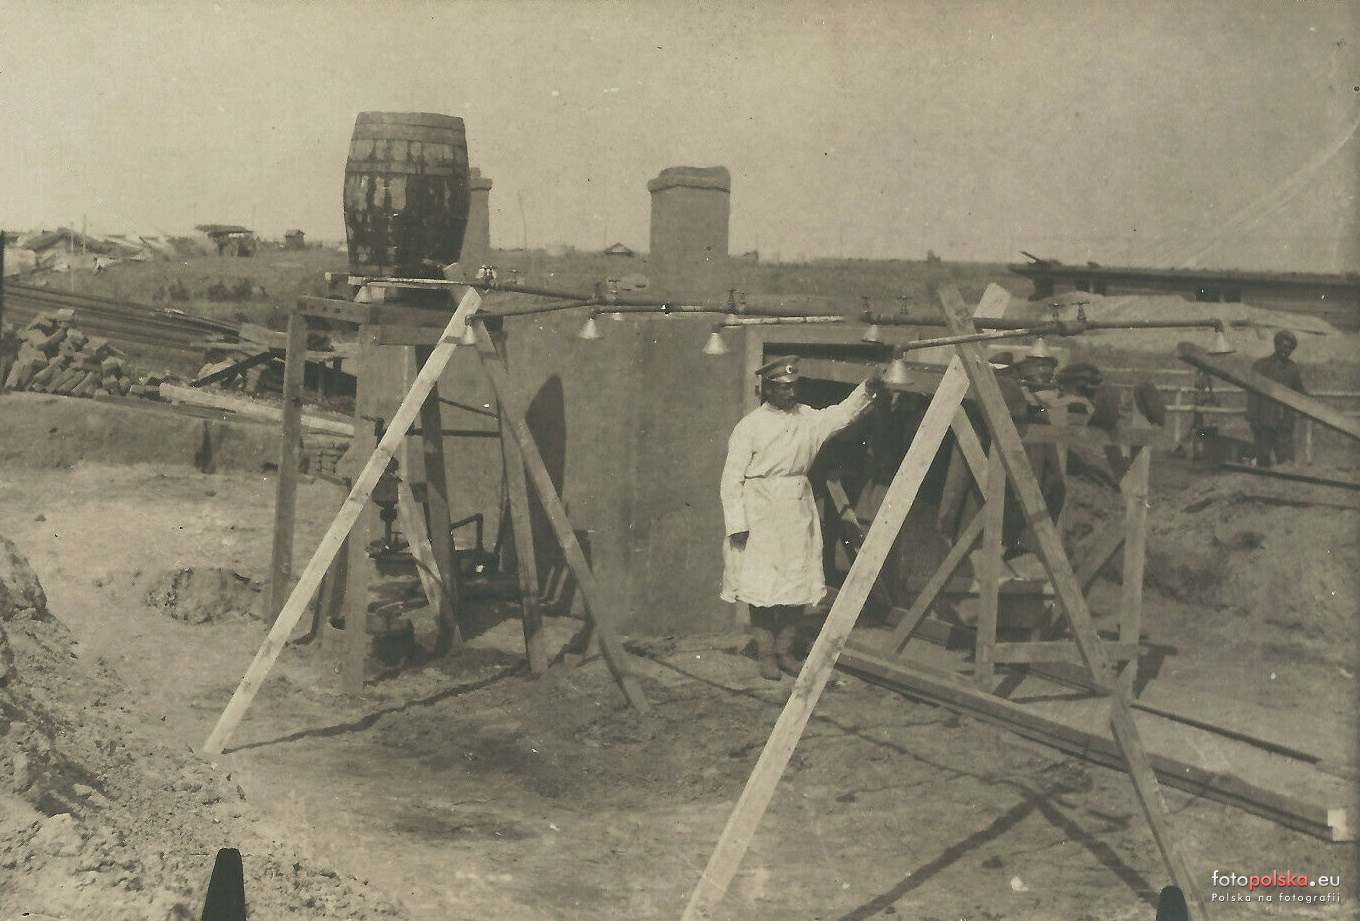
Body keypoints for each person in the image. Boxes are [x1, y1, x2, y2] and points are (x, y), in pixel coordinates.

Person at [720, 355, 885, 680]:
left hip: (796, 509)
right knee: (761, 586)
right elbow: (731, 478)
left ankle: (785, 651)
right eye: (783, 388)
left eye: (794, 386)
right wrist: (737, 523)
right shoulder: (749, 426)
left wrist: (868, 388)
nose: (791, 392)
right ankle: (767, 655)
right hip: (760, 511)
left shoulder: (808, 418)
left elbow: (842, 414)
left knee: (797, 581)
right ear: (768, 389)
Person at [1245, 329, 1306, 468]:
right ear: (1276, 345)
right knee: (1263, 462)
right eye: (1283, 346)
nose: (1286, 350)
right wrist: (1253, 419)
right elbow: (1253, 394)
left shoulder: (1292, 368)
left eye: (1289, 348)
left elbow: (1299, 392)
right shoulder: (1261, 365)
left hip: (1284, 424)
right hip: (1264, 423)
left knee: (1286, 462)